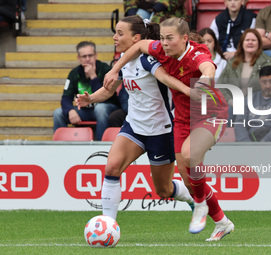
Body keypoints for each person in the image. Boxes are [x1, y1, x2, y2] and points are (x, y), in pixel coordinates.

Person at [104, 17, 234, 242]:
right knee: (188, 179)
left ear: (184, 39)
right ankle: (222, 222)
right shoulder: (159, 50)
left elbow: (208, 67)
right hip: (183, 120)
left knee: (190, 156)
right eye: (162, 38)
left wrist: (204, 81)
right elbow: (138, 45)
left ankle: (201, 206)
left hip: (211, 116)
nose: (163, 43)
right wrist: (115, 69)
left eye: (169, 39)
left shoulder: (196, 55)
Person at [76, 16, 195, 220]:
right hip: (134, 127)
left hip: (160, 131)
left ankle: (192, 199)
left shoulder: (148, 60)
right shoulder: (122, 60)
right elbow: (109, 90)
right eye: (115, 32)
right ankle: (108, 225)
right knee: (112, 167)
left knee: (164, 190)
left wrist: (187, 90)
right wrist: (90, 99)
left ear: (136, 38)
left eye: (120, 33)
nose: (115, 37)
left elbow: (167, 79)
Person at [53, 41, 122, 141]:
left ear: (96, 55)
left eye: (90, 55)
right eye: (84, 56)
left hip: (108, 107)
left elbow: (105, 97)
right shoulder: (74, 73)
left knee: (100, 109)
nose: (88, 59)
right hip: (86, 110)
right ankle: (60, 146)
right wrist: (70, 110)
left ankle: (100, 145)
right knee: (58, 113)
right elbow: (66, 97)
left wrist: (93, 76)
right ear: (79, 58)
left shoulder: (105, 69)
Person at [217, 29, 271, 122]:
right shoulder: (232, 62)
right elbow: (220, 85)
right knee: (227, 111)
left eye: (253, 40)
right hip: (234, 105)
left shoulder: (268, 62)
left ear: (259, 43)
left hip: (257, 106)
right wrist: (231, 102)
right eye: (247, 40)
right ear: (242, 43)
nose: (250, 42)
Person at [234, 65, 271, 141]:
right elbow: (239, 123)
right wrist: (247, 144)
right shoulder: (249, 99)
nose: (268, 86)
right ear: (259, 82)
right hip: (251, 140)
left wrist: (263, 145)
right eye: (264, 82)